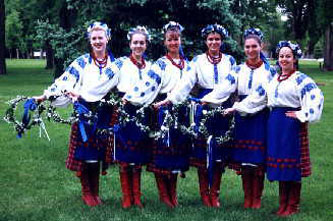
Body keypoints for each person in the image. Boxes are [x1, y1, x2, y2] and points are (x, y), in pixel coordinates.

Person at [34, 22, 121, 207]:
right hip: (85, 112)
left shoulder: (115, 64)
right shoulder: (81, 62)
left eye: (101, 38)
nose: (98, 41)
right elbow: (64, 82)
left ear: (108, 38)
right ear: (90, 41)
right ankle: (87, 192)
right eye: (94, 38)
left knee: (97, 153)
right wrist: (44, 96)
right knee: (85, 153)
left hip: (105, 114)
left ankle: (96, 192)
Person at [155, 24, 237, 207]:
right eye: (210, 39)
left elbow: (233, 85)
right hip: (204, 107)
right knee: (202, 153)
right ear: (206, 41)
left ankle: (214, 193)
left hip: (223, 108)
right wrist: (171, 98)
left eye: (217, 39)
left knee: (218, 153)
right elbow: (186, 82)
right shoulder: (198, 61)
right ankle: (204, 194)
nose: (214, 42)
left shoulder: (230, 61)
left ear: (221, 41)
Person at [124, 21, 192, 208]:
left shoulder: (188, 64)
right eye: (170, 39)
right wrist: (130, 98)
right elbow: (147, 86)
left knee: (177, 151)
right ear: (164, 42)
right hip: (163, 109)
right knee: (163, 152)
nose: (173, 43)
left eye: (176, 39)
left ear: (180, 40)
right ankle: (164, 194)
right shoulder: (160, 64)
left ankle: (173, 193)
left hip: (182, 112)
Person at [266, 41, 324, 216]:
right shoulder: (275, 79)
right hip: (276, 124)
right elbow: (260, 97)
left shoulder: (300, 78)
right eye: (281, 56)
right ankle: (283, 203)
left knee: (292, 164)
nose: (284, 59)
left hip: (291, 125)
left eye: (288, 56)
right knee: (280, 164)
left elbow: (316, 96)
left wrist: (302, 114)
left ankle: (293, 205)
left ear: (294, 58)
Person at [222, 28, 276, 209]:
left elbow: (271, 95)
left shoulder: (269, 71)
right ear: (243, 48)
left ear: (261, 46)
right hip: (242, 117)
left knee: (257, 158)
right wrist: (207, 100)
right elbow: (224, 89)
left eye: (254, 46)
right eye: (247, 47)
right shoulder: (238, 69)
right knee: (245, 159)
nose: (251, 50)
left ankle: (257, 198)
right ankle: (248, 197)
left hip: (259, 115)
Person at [114, 26, 152, 208]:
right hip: (125, 111)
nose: (138, 46)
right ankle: (126, 196)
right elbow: (107, 83)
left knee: (137, 154)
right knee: (124, 154)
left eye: (141, 43)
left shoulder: (150, 66)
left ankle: (137, 195)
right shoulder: (121, 64)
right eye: (135, 42)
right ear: (130, 44)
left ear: (146, 45)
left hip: (142, 112)